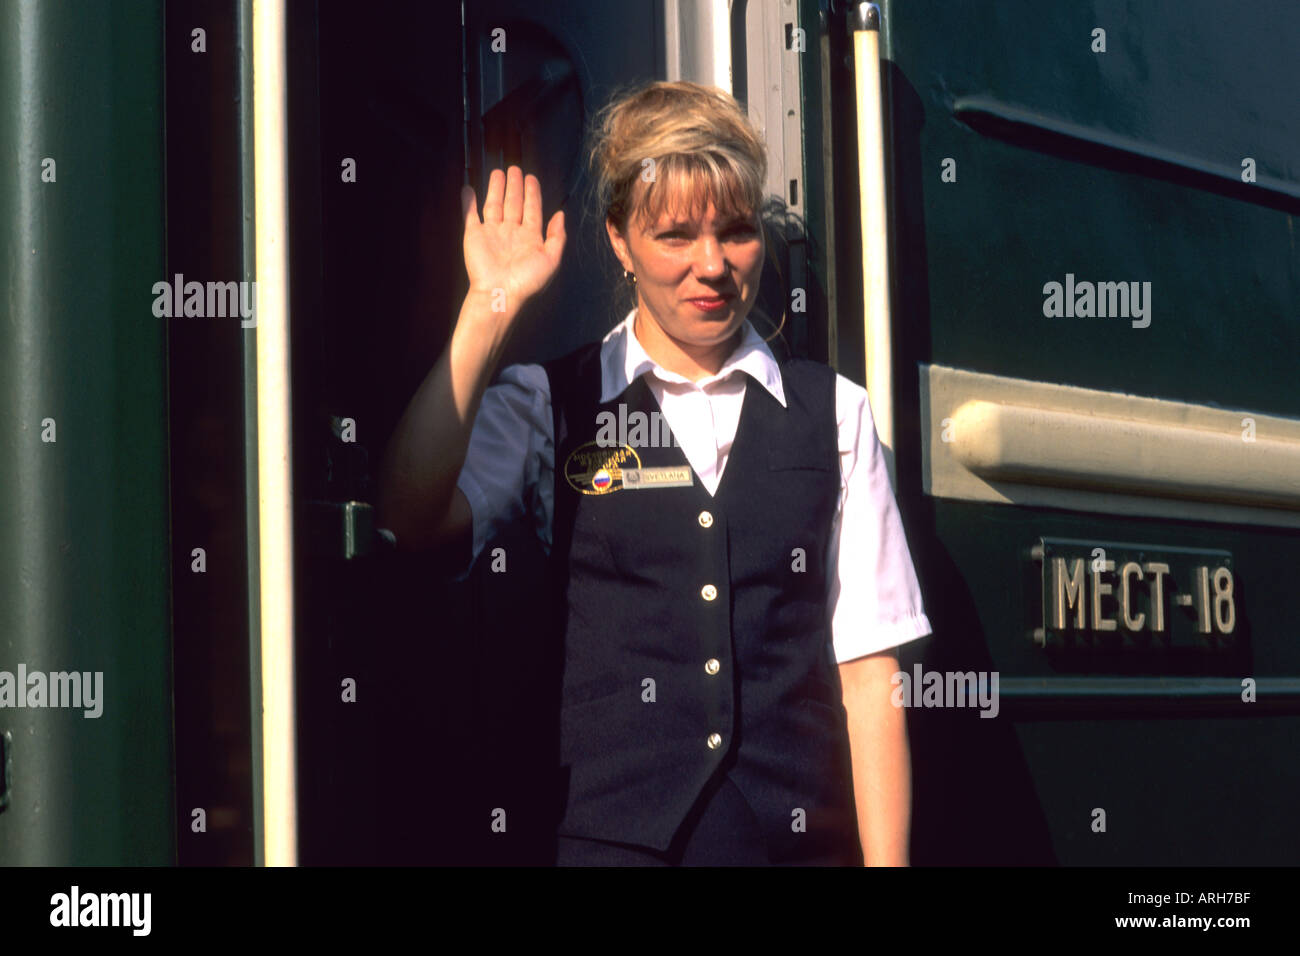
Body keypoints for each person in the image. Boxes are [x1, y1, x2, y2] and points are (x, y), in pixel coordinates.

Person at [378, 80, 932, 866]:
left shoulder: (835, 413)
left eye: (736, 231)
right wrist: (489, 309)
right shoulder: (552, 404)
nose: (712, 265)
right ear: (619, 239)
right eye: (675, 235)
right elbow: (407, 515)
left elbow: (872, 677)